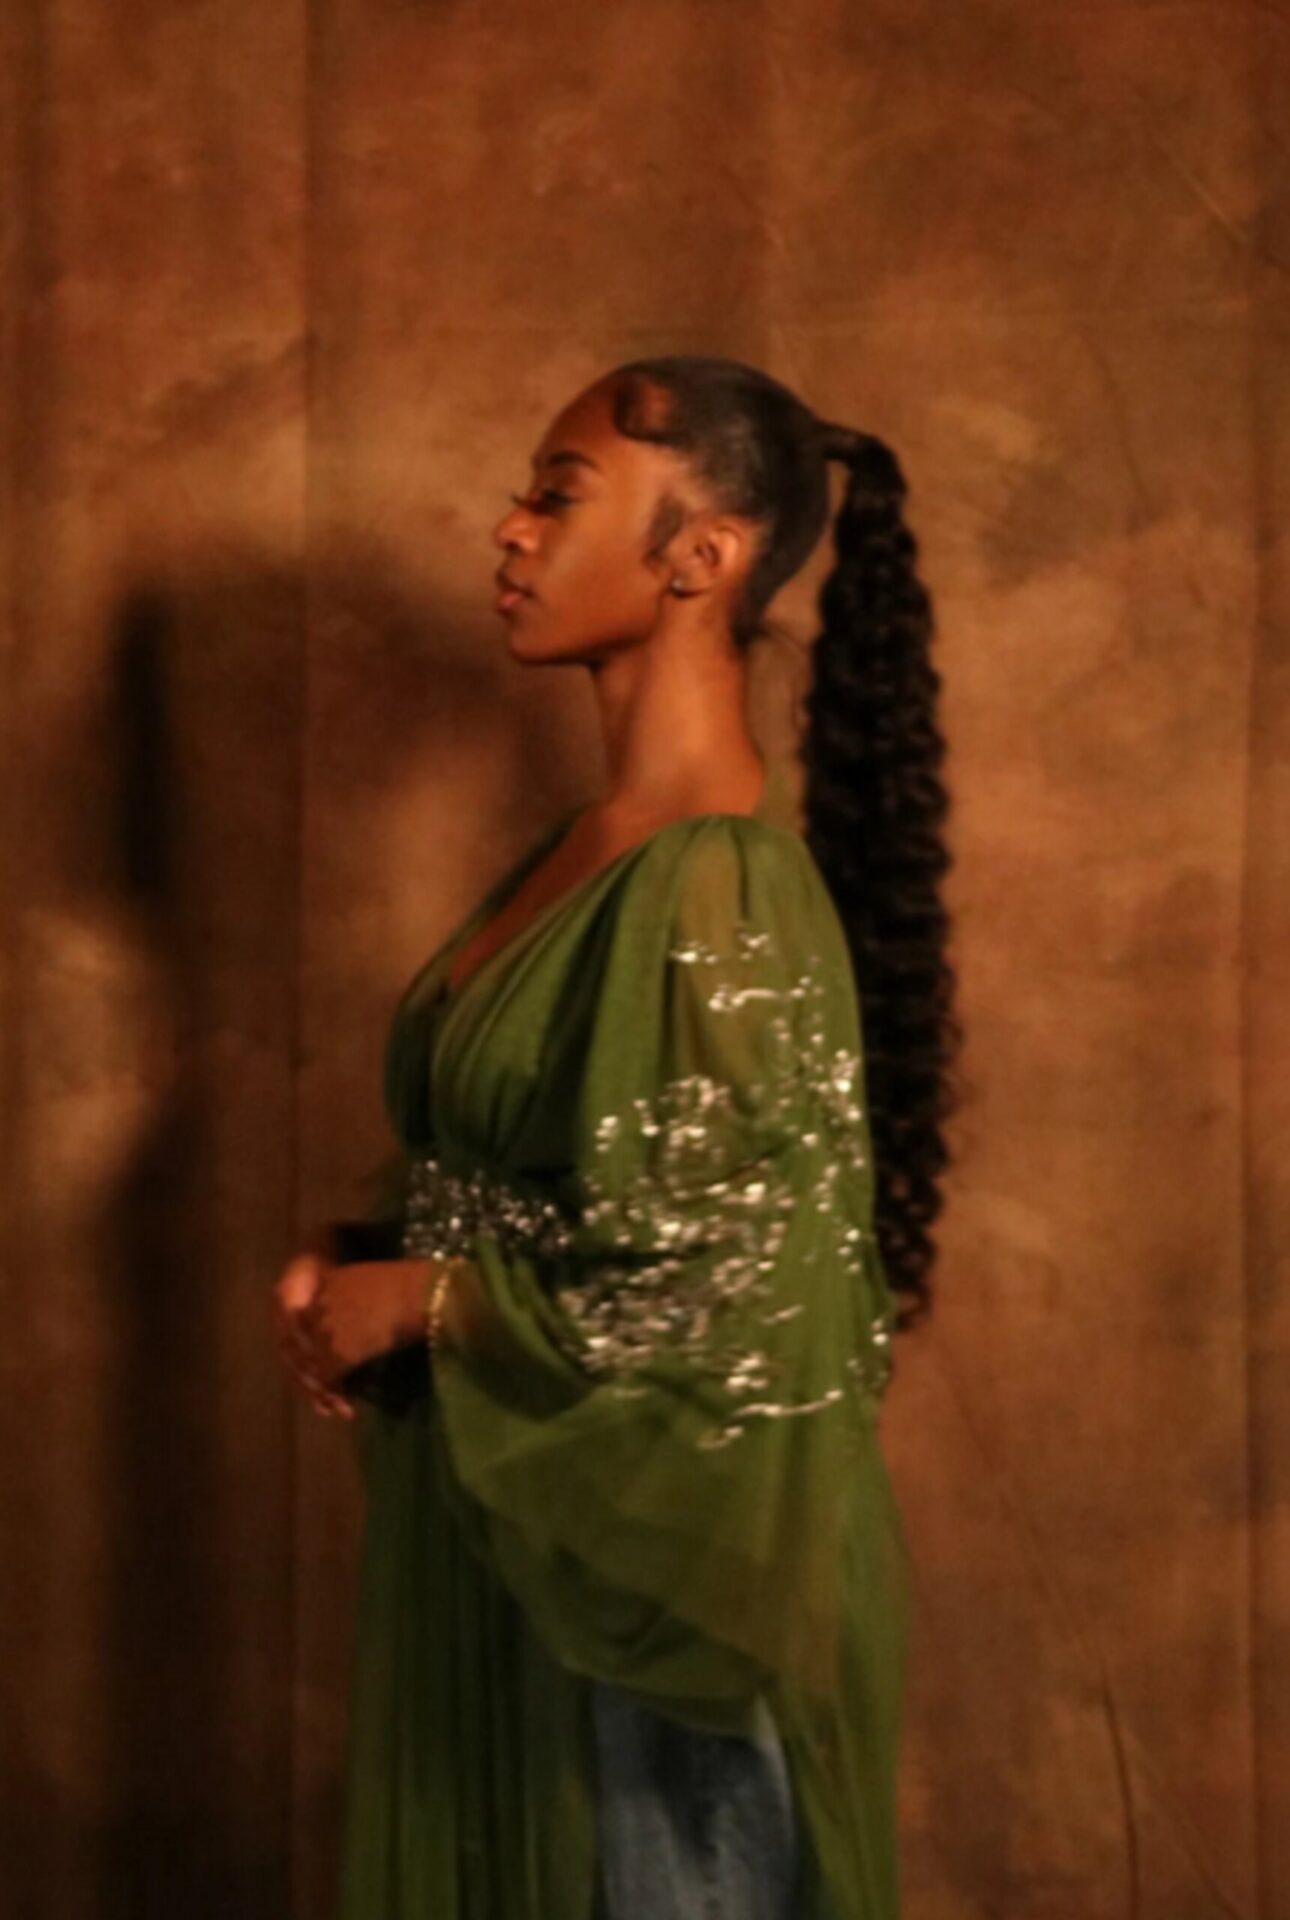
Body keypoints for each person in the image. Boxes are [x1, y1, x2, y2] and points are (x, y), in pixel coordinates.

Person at [272, 355, 958, 1919]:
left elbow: (730, 1292)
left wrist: (429, 1300)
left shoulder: (720, 882)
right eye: (521, 495)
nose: (509, 529)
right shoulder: (585, 850)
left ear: (700, 554)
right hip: (519, 1536)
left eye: (557, 493)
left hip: (656, 1585)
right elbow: (549, 1170)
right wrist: (366, 1250)